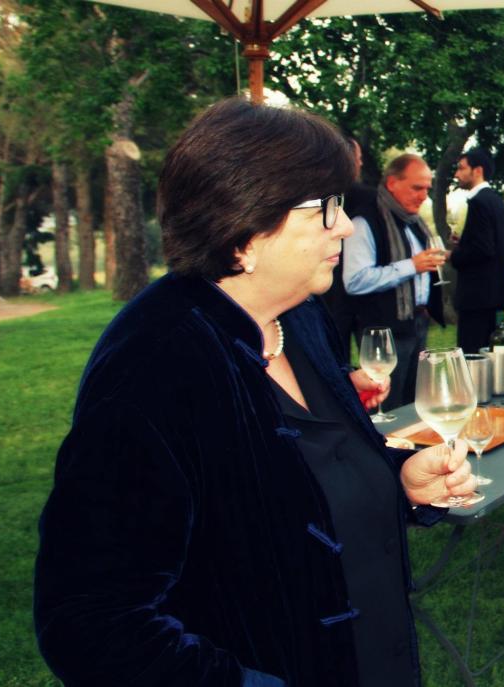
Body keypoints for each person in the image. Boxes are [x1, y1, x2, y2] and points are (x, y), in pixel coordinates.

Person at [33, 99, 474, 687]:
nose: (346, 226)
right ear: (244, 228)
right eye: (326, 208)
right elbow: (91, 622)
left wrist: (399, 481)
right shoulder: (154, 364)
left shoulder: (300, 317)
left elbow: (293, 489)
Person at [344, 153, 446, 409]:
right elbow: (354, 280)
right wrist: (412, 266)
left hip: (418, 323)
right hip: (383, 331)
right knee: (388, 405)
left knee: (415, 402)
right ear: (392, 183)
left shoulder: (413, 221)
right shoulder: (365, 221)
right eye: (417, 188)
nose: (424, 196)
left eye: (427, 189)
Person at [448, 148, 504, 353]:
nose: (456, 174)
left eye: (461, 168)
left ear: (477, 171)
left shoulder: (478, 202)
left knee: (474, 359)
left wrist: (453, 255)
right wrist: (464, 243)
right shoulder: (499, 203)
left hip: (477, 298)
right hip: (499, 295)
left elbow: (482, 250)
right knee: (498, 359)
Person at [322, 137, 376, 353]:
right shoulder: (368, 197)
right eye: (358, 158)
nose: (361, 163)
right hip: (330, 296)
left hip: (360, 300)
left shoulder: (367, 196)